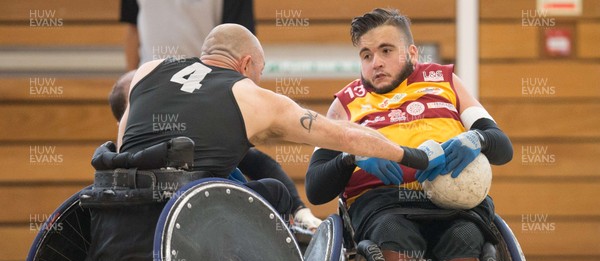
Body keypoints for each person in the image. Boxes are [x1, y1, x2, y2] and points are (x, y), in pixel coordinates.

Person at [305, 8, 513, 261]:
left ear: (411, 52)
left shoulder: (445, 82)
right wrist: (352, 157)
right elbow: (316, 188)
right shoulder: (345, 105)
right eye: (366, 54)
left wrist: (478, 137)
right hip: (383, 206)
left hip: (451, 203)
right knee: (392, 230)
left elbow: (503, 147)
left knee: (470, 235)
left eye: (386, 51)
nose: (376, 62)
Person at [117, 24, 439, 220]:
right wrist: (414, 156)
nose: (259, 78)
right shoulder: (252, 96)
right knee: (274, 191)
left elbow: (123, 145)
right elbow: (345, 136)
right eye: (260, 71)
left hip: (123, 203)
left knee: (237, 164)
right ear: (245, 64)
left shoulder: (148, 69)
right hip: (196, 214)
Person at [108, 70, 323, 231]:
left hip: (218, 227)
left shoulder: (195, 134)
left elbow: (260, 163)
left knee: (274, 191)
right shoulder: (117, 174)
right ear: (124, 122)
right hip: (178, 231)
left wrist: (299, 209)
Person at [120, 0, 255, 70]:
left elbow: (239, 42)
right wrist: (133, 86)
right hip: (149, 83)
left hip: (205, 85)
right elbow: (133, 30)